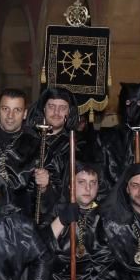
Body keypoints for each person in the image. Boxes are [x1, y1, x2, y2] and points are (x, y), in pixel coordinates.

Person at [27, 86, 87, 227]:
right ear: (43, 109)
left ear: (69, 111)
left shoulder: (76, 146)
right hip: (24, 216)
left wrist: (46, 188)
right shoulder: (26, 140)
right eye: (51, 106)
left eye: (62, 108)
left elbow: (71, 190)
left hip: (57, 219)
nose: (56, 112)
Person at [96, 82, 140, 201]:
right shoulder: (108, 137)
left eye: (138, 103)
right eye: (128, 103)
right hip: (117, 201)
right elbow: (103, 174)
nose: (133, 108)